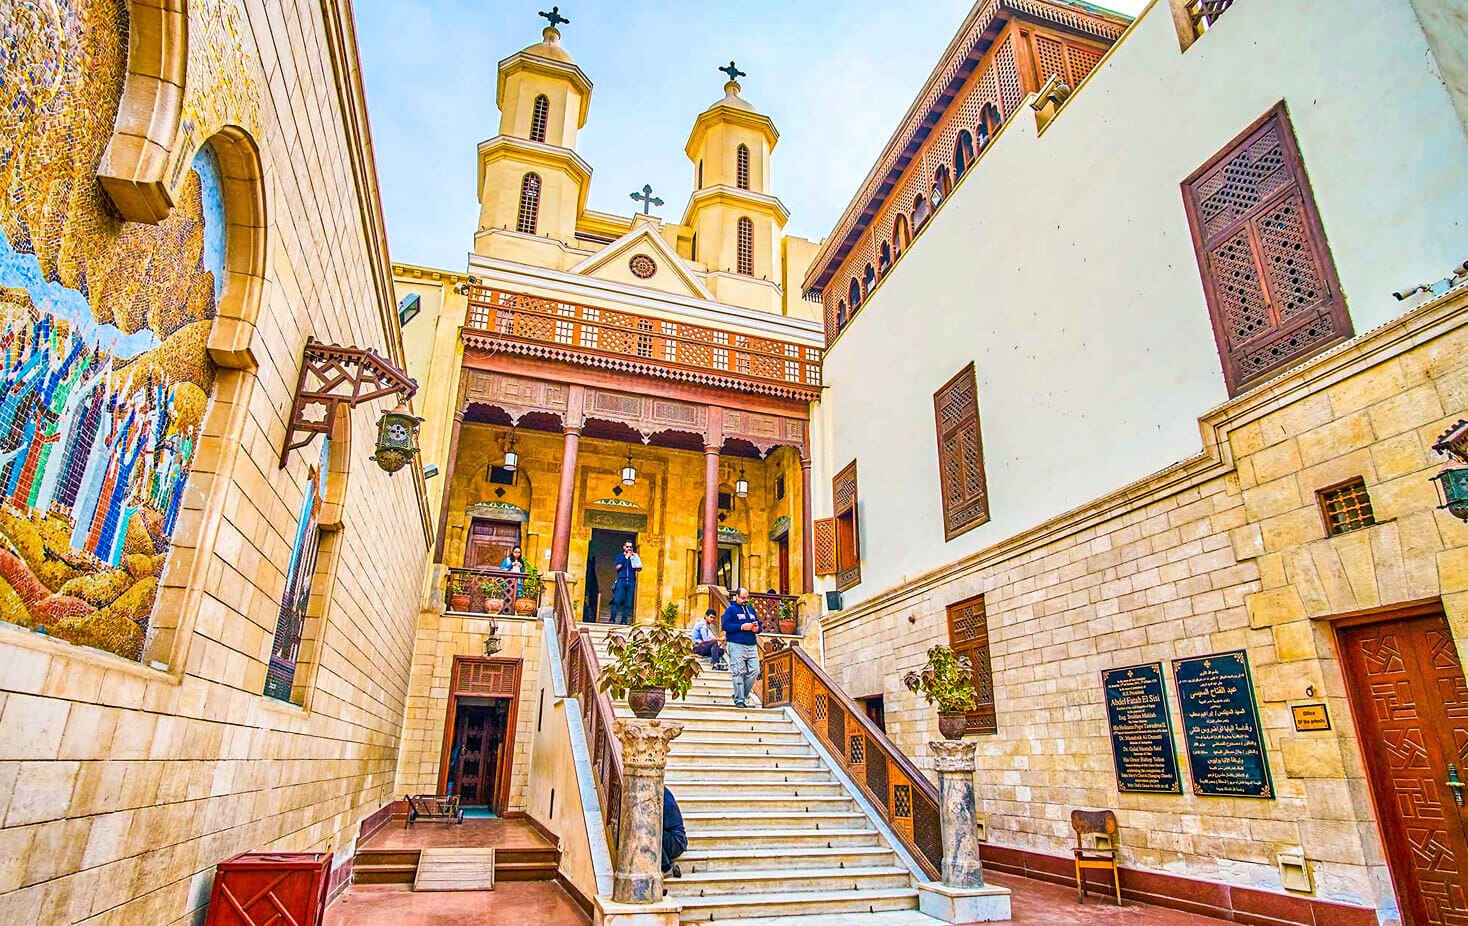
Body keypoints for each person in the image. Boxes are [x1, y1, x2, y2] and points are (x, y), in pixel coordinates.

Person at [721, 587, 760, 708]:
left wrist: (757, 628)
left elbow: (759, 624)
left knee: (755, 670)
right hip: (736, 644)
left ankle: (741, 694)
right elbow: (725, 625)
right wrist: (742, 626)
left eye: (747, 598)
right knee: (738, 671)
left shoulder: (751, 610)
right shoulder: (731, 610)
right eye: (743, 598)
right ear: (737, 597)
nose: (745, 600)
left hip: (751, 644)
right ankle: (739, 700)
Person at [611, 540, 641, 625]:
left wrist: (634, 559)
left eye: (631, 547)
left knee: (628, 603)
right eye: (627, 547)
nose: (629, 548)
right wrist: (625, 558)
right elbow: (618, 567)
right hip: (621, 580)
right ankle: (612, 618)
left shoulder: (634, 557)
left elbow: (638, 569)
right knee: (617, 600)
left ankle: (624, 620)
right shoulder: (620, 556)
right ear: (624, 547)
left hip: (631, 581)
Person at [662, 787, 686, 879]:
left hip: (677, 843)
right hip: (673, 840)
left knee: (649, 832)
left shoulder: (666, 802)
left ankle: (667, 869)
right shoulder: (663, 792)